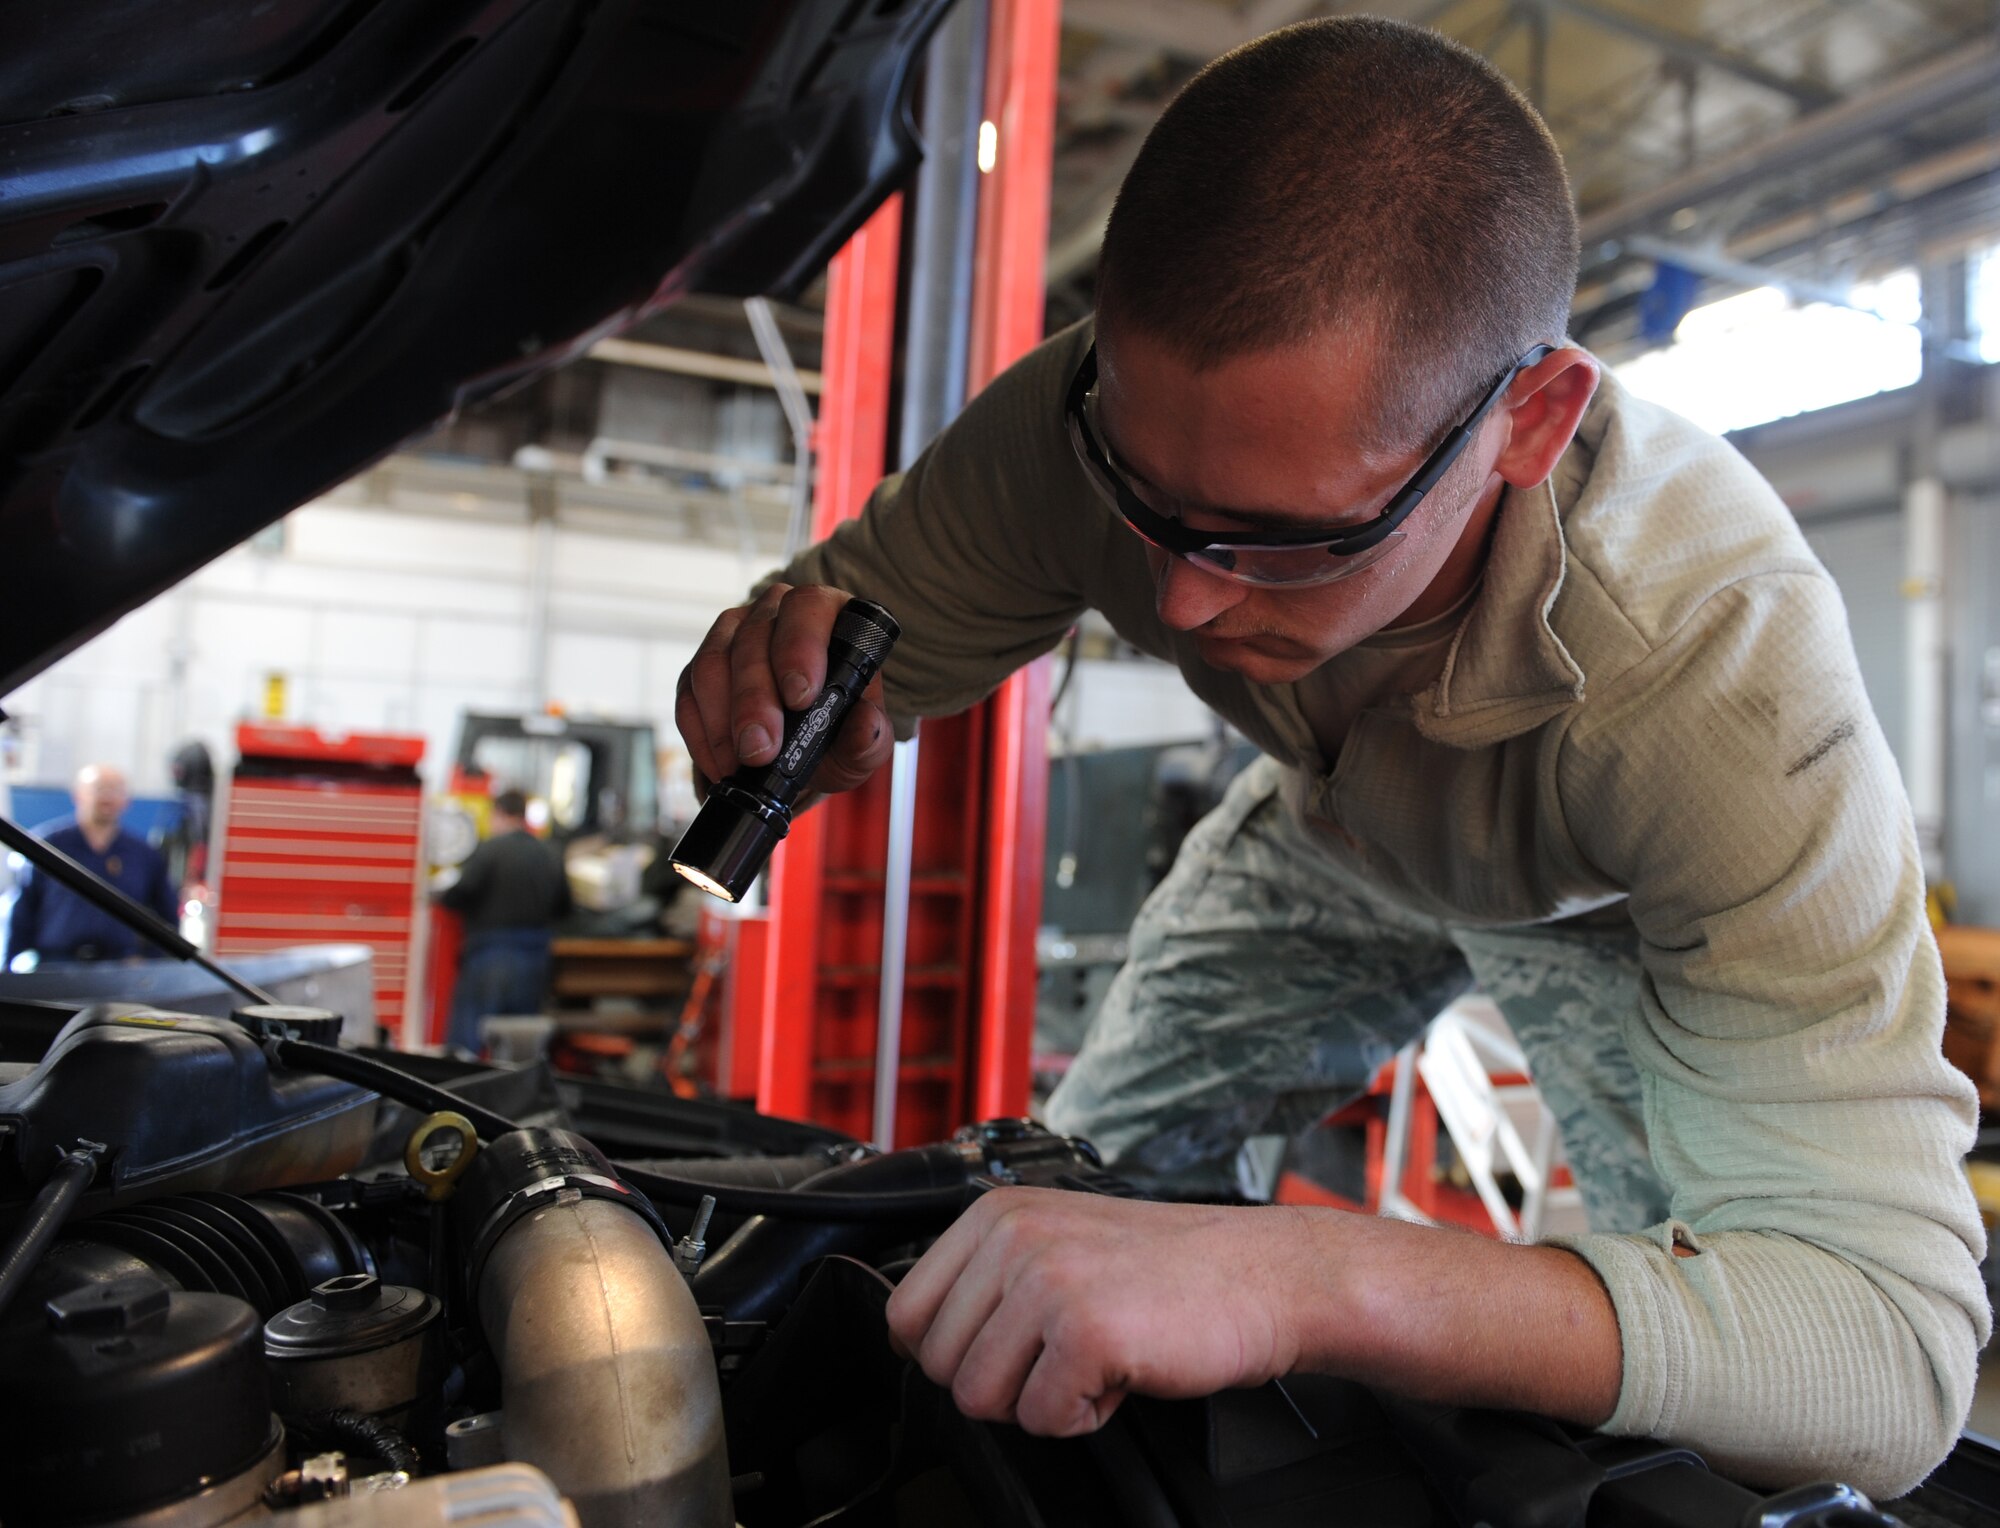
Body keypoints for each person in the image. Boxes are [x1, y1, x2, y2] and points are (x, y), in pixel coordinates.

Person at [676, 18, 1987, 1499]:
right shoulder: (1080, 434)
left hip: (1613, 902)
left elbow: (1882, 1355)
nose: (1182, 602)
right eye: (1146, 502)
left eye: (1286, 540)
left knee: (1709, 1423)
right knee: (1073, 1243)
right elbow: (855, 644)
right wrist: (786, 687)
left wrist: (1304, 1275)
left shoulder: (1719, 679)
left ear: (1530, 422)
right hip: (1338, 833)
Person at [436, 789, 572, 1055]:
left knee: (468, 1039)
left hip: (490, 953)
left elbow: (460, 893)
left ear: (499, 814)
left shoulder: (490, 850)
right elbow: (565, 906)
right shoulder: (549, 853)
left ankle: (456, 1089)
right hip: (535, 956)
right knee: (520, 1043)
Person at [6, 764, 179, 965]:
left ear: (127, 800)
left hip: (119, 969)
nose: (106, 797)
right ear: (78, 795)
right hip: (54, 966)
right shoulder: (46, 846)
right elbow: (21, 912)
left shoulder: (144, 855)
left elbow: (167, 918)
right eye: (99, 789)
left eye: (115, 790)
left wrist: (151, 960)